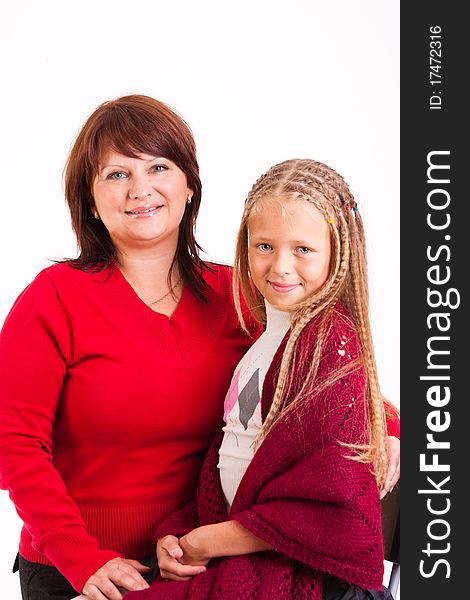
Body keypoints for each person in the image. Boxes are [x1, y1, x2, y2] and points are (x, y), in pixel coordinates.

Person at [0, 97, 399, 600]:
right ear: (90, 196)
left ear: (189, 186)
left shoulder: (244, 295)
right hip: (79, 571)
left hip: (203, 561)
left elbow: (321, 373)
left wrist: (385, 423)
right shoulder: (53, 298)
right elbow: (14, 447)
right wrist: (79, 557)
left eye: (158, 167)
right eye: (116, 174)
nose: (140, 189)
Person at [125, 158, 400, 600]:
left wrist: (206, 540)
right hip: (237, 545)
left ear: (338, 250)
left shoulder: (328, 345)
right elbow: (235, 452)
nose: (281, 267)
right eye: (265, 246)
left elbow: (333, 509)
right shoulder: (266, 336)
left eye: (303, 249)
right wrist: (182, 532)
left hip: (296, 573)